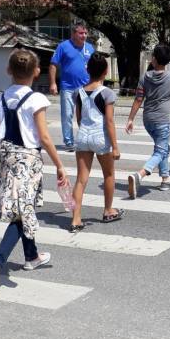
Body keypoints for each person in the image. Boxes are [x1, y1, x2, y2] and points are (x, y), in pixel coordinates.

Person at [0, 48, 68, 297]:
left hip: (7, 157)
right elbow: (43, 136)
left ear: (9, 70)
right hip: (28, 160)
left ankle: (31, 256)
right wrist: (59, 164)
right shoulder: (36, 99)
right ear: (37, 72)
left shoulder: (0, 98)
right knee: (22, 213)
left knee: (24, 208)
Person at [125, 44, 170, 198]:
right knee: (161, 150)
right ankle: (140, 175)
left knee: (163, 148)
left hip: (148, 120)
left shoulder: (145, 77)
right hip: (162, 120)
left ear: (154, 59)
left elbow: (138, 100)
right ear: (168, 61)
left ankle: (165, 179)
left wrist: (130, 119)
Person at [69, 53, 122, 233]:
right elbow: (109, 121)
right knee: (108, 174)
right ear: (106, 72)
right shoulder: (107, 93)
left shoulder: (78, 92)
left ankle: (76, 219)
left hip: (83, 136)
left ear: (88, 70)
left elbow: (78, 118)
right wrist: (115, 146)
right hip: (101, 138)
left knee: (80, 180)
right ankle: (108, 210)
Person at [48, 23, 95, 152]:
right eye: (81, 33)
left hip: (85, 87)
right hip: (67, 87)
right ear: (74, 33)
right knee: (67, 115)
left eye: (85, 33)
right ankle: (69, 142)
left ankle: (85, 139)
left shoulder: (90, 48)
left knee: (86, 115)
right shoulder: (63, 46)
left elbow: (96, 66)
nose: (84, 36)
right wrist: (53, 83)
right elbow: (53, 65)